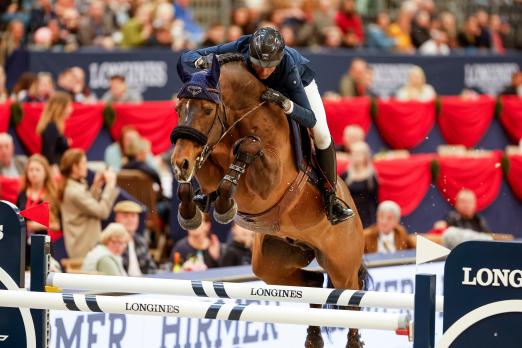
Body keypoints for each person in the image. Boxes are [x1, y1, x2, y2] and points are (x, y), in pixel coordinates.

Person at [180, 27, 354, 224]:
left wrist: (286, 104)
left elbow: (309, 118)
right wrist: (201, 61)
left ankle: (331, 198)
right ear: (250, 54)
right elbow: (188, 57)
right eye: (257, 64)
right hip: (257, 92)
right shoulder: (244, 45)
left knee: (321, 133)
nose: (263, 71)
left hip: (296, 87)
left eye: (269, 66)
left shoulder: (288, 65)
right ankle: (209, 189)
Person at [60, 149, 119, 258]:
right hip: (83, 251)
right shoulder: (74, 191)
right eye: (84, 163)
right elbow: (102, 212)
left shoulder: (75, 186)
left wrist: (96, 187)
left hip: (85, 248)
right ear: (74, 167)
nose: (86, 166)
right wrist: (110, 186)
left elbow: (86, 208)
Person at [17, 154, 61, 264]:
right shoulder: (22, 195)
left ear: (45, 173)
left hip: (44, 244)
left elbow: (58, 225)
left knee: (42, 273)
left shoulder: (52, 195)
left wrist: (38, 225)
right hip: (24, 245)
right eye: (31, 170)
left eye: (37, 170)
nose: (34, 173)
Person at [113, 200, 157, 275]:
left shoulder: (141, 241)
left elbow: (151, 269)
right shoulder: (111, 241)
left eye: (133, 216)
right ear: (116, 218)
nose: (130, 220)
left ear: (138, 220)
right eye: (125, 216)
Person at [341, 141, 378, 228]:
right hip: (350, 215)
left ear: (365, 156)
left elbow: (375, 200)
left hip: (367, 216)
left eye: (358, 154)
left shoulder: (371, 178)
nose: (355, 157)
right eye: (353, 153)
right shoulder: (345, 175)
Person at [36, 92, 72, 169]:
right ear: (60, 107)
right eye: (69, 106)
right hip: (54, 170)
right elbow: (48, 151)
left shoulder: (55, 125)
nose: (71, 110)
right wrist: (53, 167)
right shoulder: (51, 126)